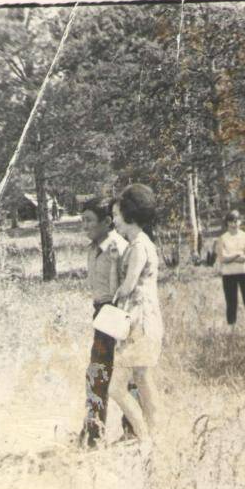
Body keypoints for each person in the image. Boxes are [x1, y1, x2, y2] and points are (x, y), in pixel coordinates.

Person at [107, 184, 164, 442]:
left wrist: (111, 306)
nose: (114, 221)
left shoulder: (139, 246)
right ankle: (153, 433)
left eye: (117, 215)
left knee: (115, 385)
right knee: (142, 378)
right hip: (143, 320)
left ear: (129, 215)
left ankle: (144, 433)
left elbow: (128, 286)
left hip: (139, 322)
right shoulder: (139, 243)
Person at [77, 197, 135, 448]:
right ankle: (94, 433)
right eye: (82, 221)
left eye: (89, 220)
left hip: (119, 313)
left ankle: (131, 431)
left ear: (107, 222)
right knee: (97, 374)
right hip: (101, 313)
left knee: (123, 374)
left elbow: (128, 287)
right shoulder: (92, 248)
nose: (84, 226)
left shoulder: (120, 247)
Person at [216, 210, 245, 334]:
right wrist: (237, 255)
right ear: (227, 223)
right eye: (231, 221)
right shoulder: (222, 238)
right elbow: (222, 258)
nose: (234, 224)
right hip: (228, 274)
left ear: (240, 221)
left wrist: (231, 257)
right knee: (231, 301)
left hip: (244, 272)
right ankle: (231, 327)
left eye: (236, 221)